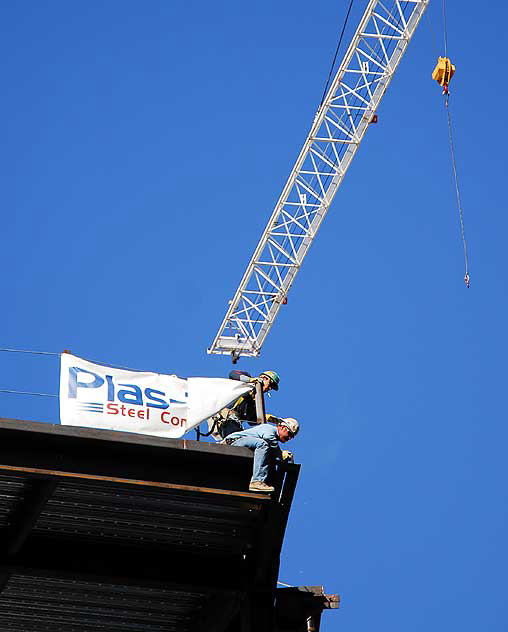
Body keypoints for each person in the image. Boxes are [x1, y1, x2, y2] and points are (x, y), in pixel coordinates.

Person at [223, 417, 300, 493]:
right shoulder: (269, 429)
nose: (289, 438)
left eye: (291, 437)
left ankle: (259, 481)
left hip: (238, 442)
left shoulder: (272, 437)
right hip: (235, 441)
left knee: (266, 450)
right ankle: (257, 481)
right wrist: (281, 454)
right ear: (283, 428)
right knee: (263, 445)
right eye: (289, 434)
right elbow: (269, 439)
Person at [210, 370, 282, 440]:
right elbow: (233, 374)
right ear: (264, 378)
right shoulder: (246, 381)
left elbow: (251, 420)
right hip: (224, 416)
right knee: (235, 440)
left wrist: (266, 417)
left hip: (233, 422)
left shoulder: (255, 400)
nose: (269, 388)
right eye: (270, 385)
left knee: (241, 441)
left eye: (271, 387)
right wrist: (249, 380)